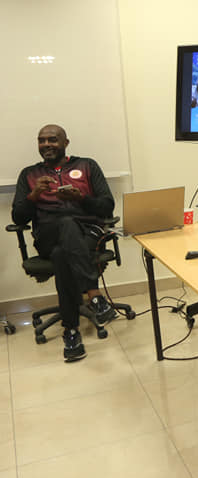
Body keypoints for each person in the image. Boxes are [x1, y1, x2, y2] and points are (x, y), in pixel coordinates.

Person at [12, 124, 118, 362]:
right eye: (41, 140)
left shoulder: (87, 165)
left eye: (52, 139)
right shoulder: (29, 174)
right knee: (65, 224)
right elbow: (18, 218)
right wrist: (33, 196)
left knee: (62, 254)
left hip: (88, 234)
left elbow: (107, 206)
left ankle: (71, 332)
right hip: (47, 236)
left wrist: (81, 198)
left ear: (65, 143)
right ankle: (95, 295)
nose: (46, 144)